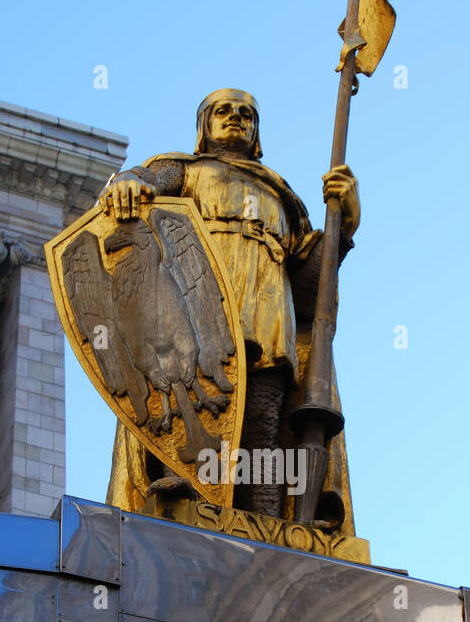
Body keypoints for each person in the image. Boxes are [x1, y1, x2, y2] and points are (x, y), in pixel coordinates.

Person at [104, 89, 359, 531]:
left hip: (268, 317)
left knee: (261, 422)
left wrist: (345, 223)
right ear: (205, 124)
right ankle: (182, 487)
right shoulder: (185, 170)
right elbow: (148, 180)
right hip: (197, 306)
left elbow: (310, 285)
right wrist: (129, 179)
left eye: (247, 114)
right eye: (224, 111)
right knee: (195, 399)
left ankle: (265, 521)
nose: (236, 119)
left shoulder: (283, 198)